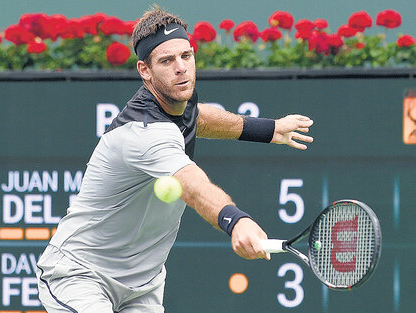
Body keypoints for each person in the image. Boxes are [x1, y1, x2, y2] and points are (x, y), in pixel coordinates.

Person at [36, 6, 314, 313]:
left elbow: (200, 117)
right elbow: (194, 188)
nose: (180, 67)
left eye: (186, 55)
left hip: (144, 284)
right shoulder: (146, 132)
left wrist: (268, 129)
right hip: (80, 275)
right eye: (167, 61)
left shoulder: (179, 99)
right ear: (145, 70)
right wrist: (236, 221)